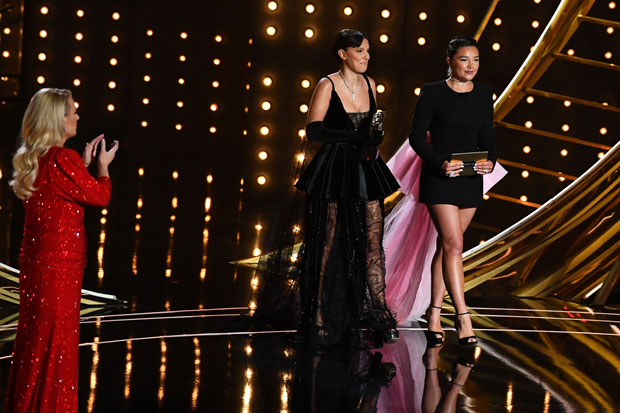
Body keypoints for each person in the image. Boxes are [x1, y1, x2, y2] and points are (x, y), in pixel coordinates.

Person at [5, 88, 118, 412]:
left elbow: (59, 194)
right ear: (57, 119)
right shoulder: (61, 159)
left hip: (38, 271)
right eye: (72, 111)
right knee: (54, 349)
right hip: (59, 275)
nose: (77, 117)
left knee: (35, 345)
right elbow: (100, 196)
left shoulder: (37, 159)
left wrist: (82, 164)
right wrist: (102, 166)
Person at [294, 29, 401, 347]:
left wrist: (373, 136)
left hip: (364, 167)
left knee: (373, 242)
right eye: (360, 51)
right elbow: (314, 130)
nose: (367, 56)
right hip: (334, 168)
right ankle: (317, 315)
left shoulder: (370, 84)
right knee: (325, 243)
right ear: (342, 54)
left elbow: (372, 128)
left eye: (368, 51)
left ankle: (379, 314)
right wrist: (351, 136)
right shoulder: (326, 84)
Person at [400, 37, 497, 346]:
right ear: (450, 61)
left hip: (470, 179)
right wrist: (440, 163)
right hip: (439, 176)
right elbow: (416, 137)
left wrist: (490, 161)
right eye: (464, 59)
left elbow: (488, 138)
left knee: (446, 247)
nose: (471, 65)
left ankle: (433, 312)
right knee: (454, 244)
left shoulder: (484, 94)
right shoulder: (432, 93)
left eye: (476, 60)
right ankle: (462, 317)